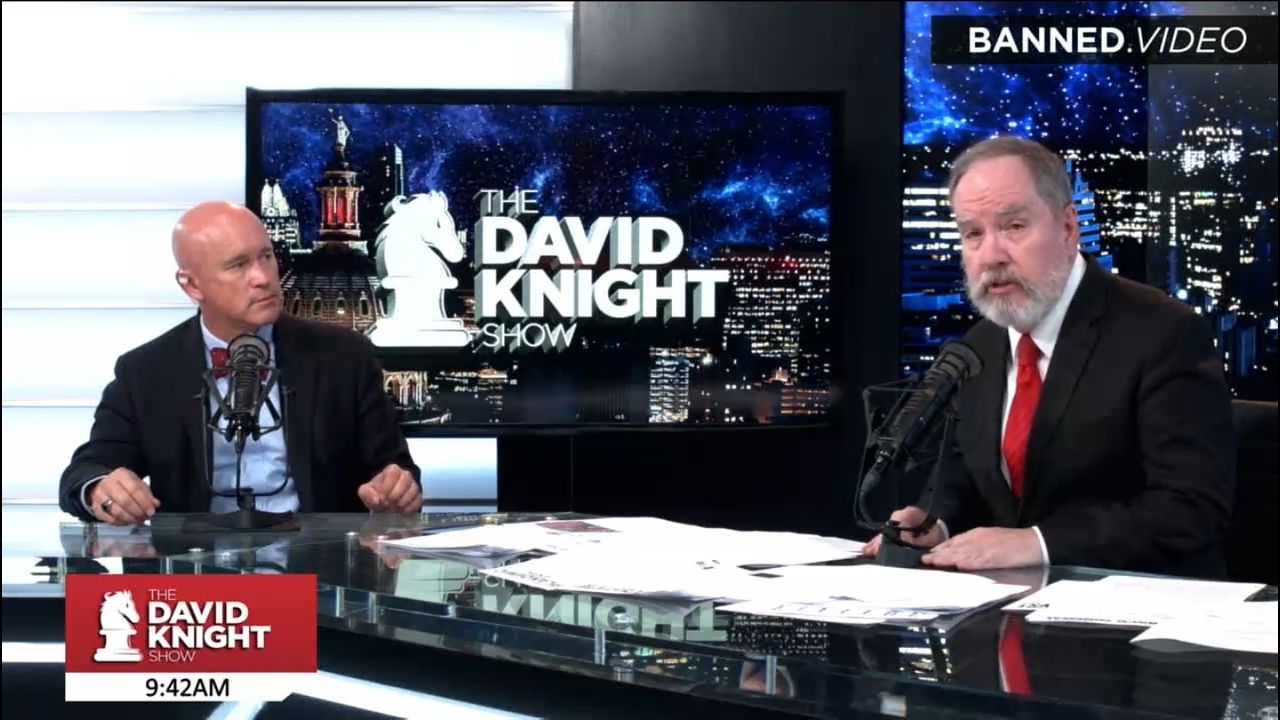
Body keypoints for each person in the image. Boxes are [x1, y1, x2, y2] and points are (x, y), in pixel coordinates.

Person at [863, 136, 1235, 577]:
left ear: (1068, 228)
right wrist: (936, 523)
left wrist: (1038, 543)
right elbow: (967, 477)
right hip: (1012, 603)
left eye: (1014, 226)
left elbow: (1190, 508)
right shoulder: (978, 345)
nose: (991, 255)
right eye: (973, 233)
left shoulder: (1163, 332)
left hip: (1145, 604)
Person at [58, 201, 423, 524]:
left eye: (267, 256)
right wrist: (101, 490)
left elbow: (396, 470)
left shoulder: (344, 355)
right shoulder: (146, 372)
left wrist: (396, 489)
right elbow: (85, 472)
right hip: (195, 571)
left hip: (320, 566)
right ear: (192, 286)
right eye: (238, 265)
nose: (263, 278)